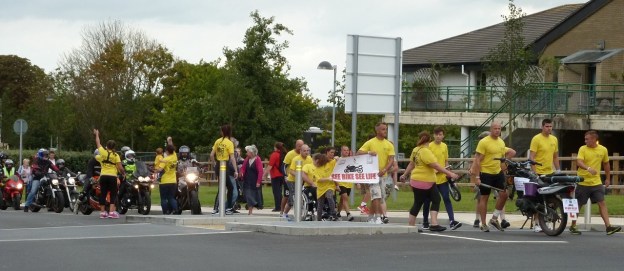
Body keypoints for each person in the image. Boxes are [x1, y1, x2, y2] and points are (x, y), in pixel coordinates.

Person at [400, 131, 459, 231]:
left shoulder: (416, 150)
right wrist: (450, 174)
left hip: (415, 180)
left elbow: (411, 164)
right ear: (429, 140)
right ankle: (433, 224)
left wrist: (405, 174)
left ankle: (412, 225)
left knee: (419, 202)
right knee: (435, 200)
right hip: (426, 181)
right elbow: (435, 165)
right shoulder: (426, 151)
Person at [569, 130, 621, 235]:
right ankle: (573, 226)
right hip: (583, 182)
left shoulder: (603, 150)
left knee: (602, 203)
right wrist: (588, 168)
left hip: (596, 182)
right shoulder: (582, 149)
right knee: (578, 205)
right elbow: (579, 162)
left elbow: (606, 164)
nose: (585, 141)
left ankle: (608, 227)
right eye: (585, 139)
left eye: (587, 139)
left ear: (594, 139)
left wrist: (607, 178)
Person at [471, 121, 516, 232]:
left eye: (499, 129)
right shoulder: (484, 142)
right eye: (495, 128)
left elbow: (503, 158)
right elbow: (477, 160)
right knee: (484, 197)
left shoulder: (501, 142)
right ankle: (483, 223)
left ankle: (494, 218)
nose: (497, 130)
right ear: (491, 129)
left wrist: (504, 169)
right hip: (485, 173)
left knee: (505, 194)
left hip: (497, 172)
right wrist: (476, 177)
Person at [422, 127, 462, 230]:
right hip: (431, 179)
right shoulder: (429, 146)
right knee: (427, 200)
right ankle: (425, 221)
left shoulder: (444, 146)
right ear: (433, 135)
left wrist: (448, 172)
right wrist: (434, 170)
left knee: (446, 199)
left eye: (440, 134)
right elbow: (427, 161)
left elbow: (446, 161)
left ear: (443, 136)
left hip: (443, 178)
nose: (438, 136)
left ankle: (452, 221)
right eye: (436, 134)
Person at [357, 122, 395, 224]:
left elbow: (391, 159)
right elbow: (359, 153)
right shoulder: (370, 142)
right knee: (376, 195)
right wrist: (369, 152)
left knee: (379, 197)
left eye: (386, 129)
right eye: (383, 129)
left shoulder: (389, 144)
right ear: (377, 130)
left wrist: (385, 170)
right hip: (372, 175)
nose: (385, 131)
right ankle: (378, 217)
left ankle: (370, 217)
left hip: (383, 175)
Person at [528, 119, 561, 233]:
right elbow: (532, 157)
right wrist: (535, 172)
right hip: (539, 172)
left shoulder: (554, 139)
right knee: (539, 199)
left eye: (551, 126)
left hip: (549, 172)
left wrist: (558, 170)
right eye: (547, 126)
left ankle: (545, 220)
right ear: (542, 127)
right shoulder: (536, 139)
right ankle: (536, 223)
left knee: (551, 197)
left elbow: (555, 156)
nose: (549, 128)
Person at [93, 129, 125, 218]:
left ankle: (102, 212)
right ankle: (111, 212)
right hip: (112, 176)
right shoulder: (116, 155)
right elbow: (120, 167)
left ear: (106, 146)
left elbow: (98, 143)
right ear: (114, 147)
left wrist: (97, 134)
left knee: (103, 193)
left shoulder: (102, 152)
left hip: (103, 176)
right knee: (113, 193)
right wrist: (123, 173)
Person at [210, 124, 239, 215]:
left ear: (222, 132)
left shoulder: (218, 141)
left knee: (222, 186)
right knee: (229, 187)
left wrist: (215, 163)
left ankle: (216, 208)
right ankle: (228, 208)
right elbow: (232, 157)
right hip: (224, 165)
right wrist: (236, 170)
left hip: (218, 164)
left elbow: (211, 155)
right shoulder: (229, 143)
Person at [283, 144, 313, 219]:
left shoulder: (309, 159)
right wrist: (299, 175)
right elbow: (291, 171)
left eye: (307, 150)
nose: (306, 152)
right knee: (293, 198)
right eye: (304, 151)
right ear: (300, 151)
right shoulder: (296, 159)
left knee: (302, 196)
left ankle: (303, 213)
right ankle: (284, 213)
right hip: (292, 181)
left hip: (303, 180)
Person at [311, 153, 338, 221]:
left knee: (329, 196)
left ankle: (333, 214)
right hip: (321, 188)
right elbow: (319, 179)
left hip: (330, 186)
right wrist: (327, 178)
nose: (313, 162)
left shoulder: (329, 164)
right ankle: (319, 218)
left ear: (317, 161)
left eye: (313, 160)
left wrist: (337, 158)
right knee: (320, 203)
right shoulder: (316, 170)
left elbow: (336, 160)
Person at [281, 139, 304, 217]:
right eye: (299, 146)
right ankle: (282, 211)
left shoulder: (305, 155)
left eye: (302, 146)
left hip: (301, 179)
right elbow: (284, 166)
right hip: (289, 178)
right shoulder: (290, 154)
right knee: (287, 195)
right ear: (296, 145)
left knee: (298, 195)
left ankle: (298, 213)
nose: (300, 148)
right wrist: (285, 175)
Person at [156, 137, 178, 215]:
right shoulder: (175, 156)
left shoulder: (165, 159)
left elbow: (159, 169)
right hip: (173, 181)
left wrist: (155, 168)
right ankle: (175, 210)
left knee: (164, 198)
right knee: (171, 197)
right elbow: (171, 147)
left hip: (164, 181)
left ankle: (166, 212)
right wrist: (170, 141)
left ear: (167, 151)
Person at [240, 145, 263, 215]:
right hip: (247, 180)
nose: (246, 153)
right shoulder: (247, 159)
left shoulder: (257, 159)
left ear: (252, 153)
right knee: (248, 195)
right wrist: (241, 173)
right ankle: (253, 206)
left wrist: (258, 181)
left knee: (251, 195)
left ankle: (251, 211)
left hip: (254, 181)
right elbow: (243, 168)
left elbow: (260, 171)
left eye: (247, 152)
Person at [264, 142, 287, 212]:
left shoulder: (274, 155)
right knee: (280, 191)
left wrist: (264, 174)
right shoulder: (284, 154)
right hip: (282, 175)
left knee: (276, 192)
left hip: (275, 175)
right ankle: (281, 206)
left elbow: (270, 166)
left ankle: (278, 207)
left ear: (276, 147)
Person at [336, 145, 354, 221]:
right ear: (341, 151)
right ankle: (348, 214)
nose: (346, 152)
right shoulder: (338, 159)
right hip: (341, 182)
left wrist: (357, 183)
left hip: (348, 182)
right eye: (344, 150)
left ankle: (337, 213)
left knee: (342, 200)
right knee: (345, 198)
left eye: (347, 150)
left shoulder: (351, 160)